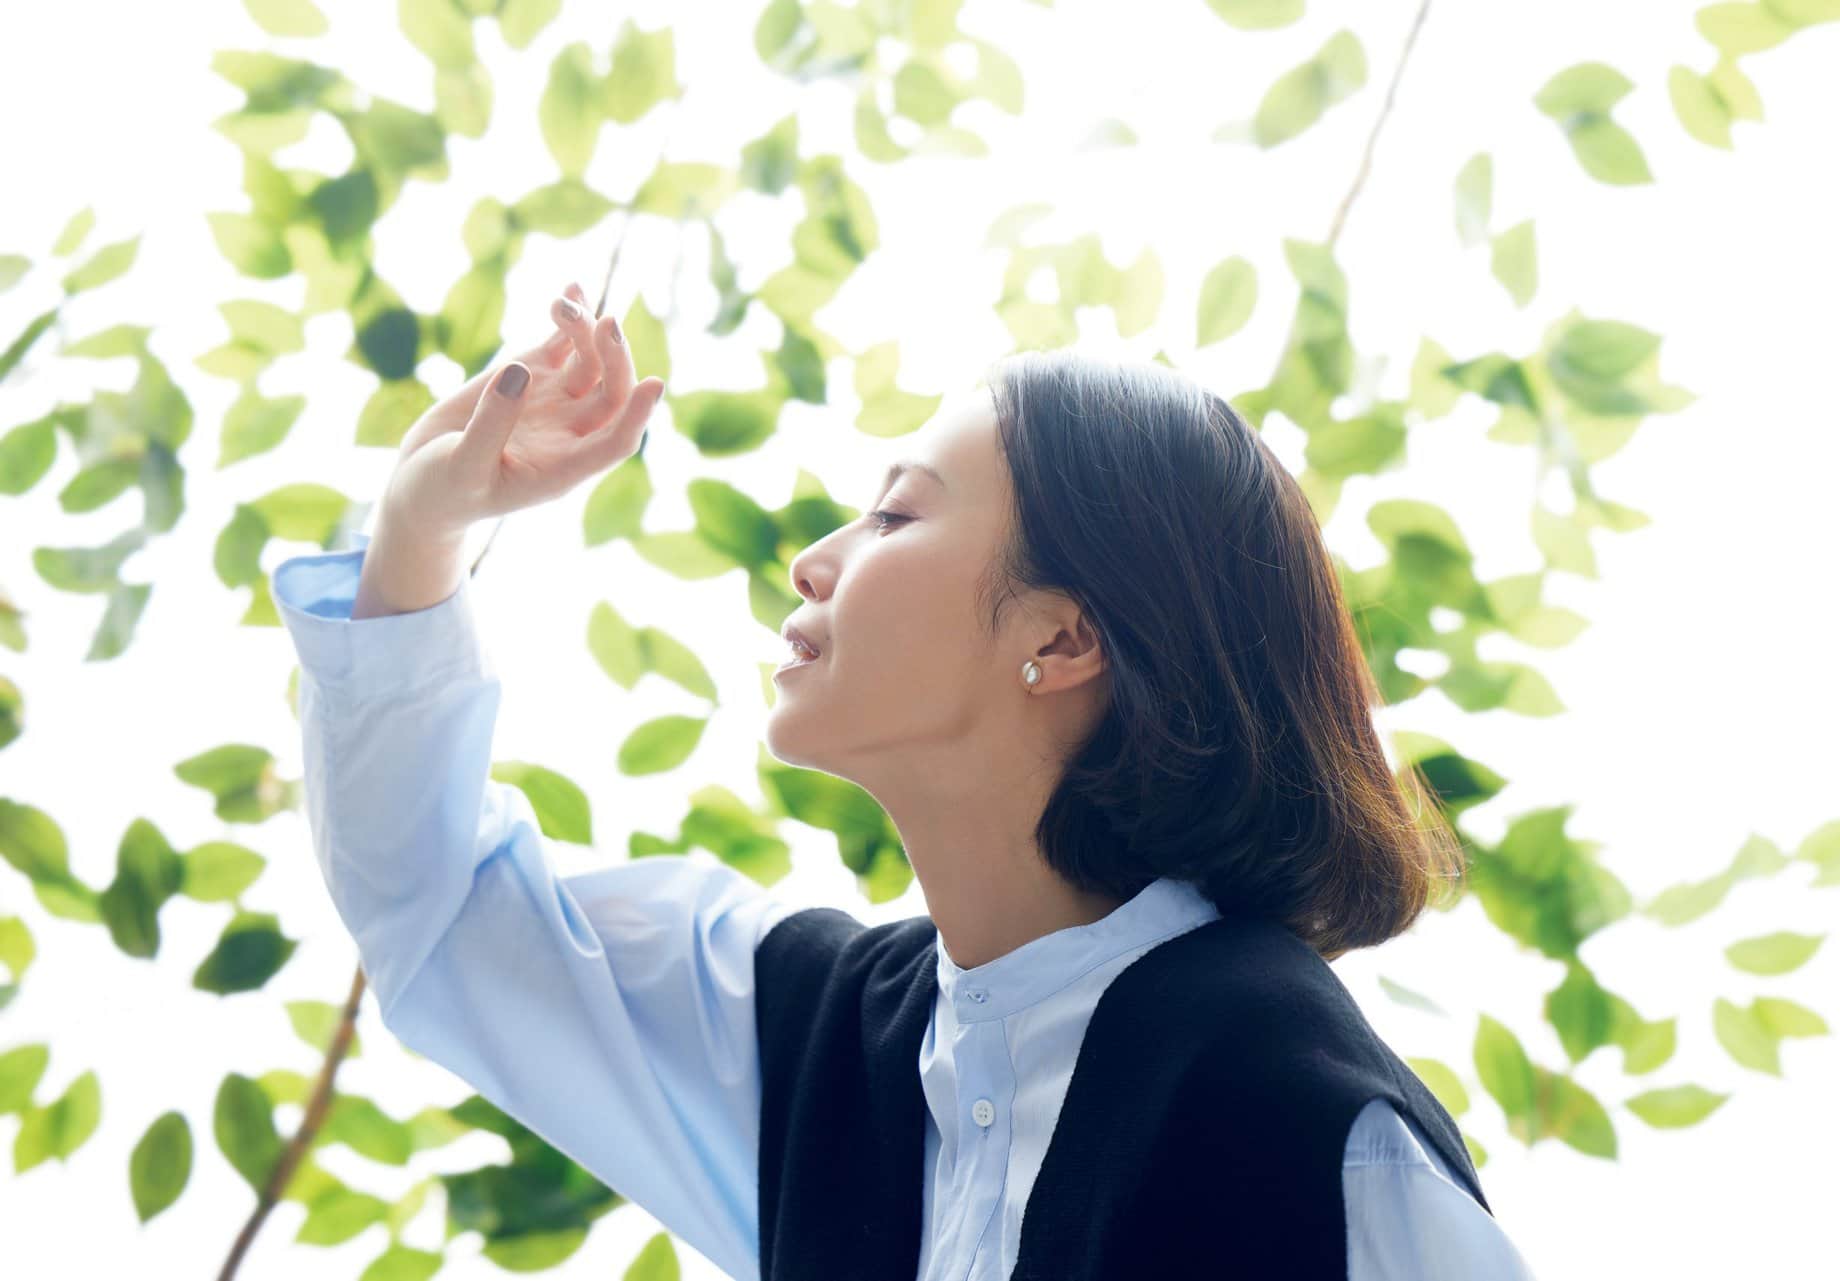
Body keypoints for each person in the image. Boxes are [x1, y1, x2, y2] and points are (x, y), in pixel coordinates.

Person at [272, 282, 1540, 1280]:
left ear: (1061, 638)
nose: (814, 563)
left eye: (895, 516)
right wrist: (422, 532)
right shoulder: (815, 1040)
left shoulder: (1311, 1127)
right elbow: (437, 908)